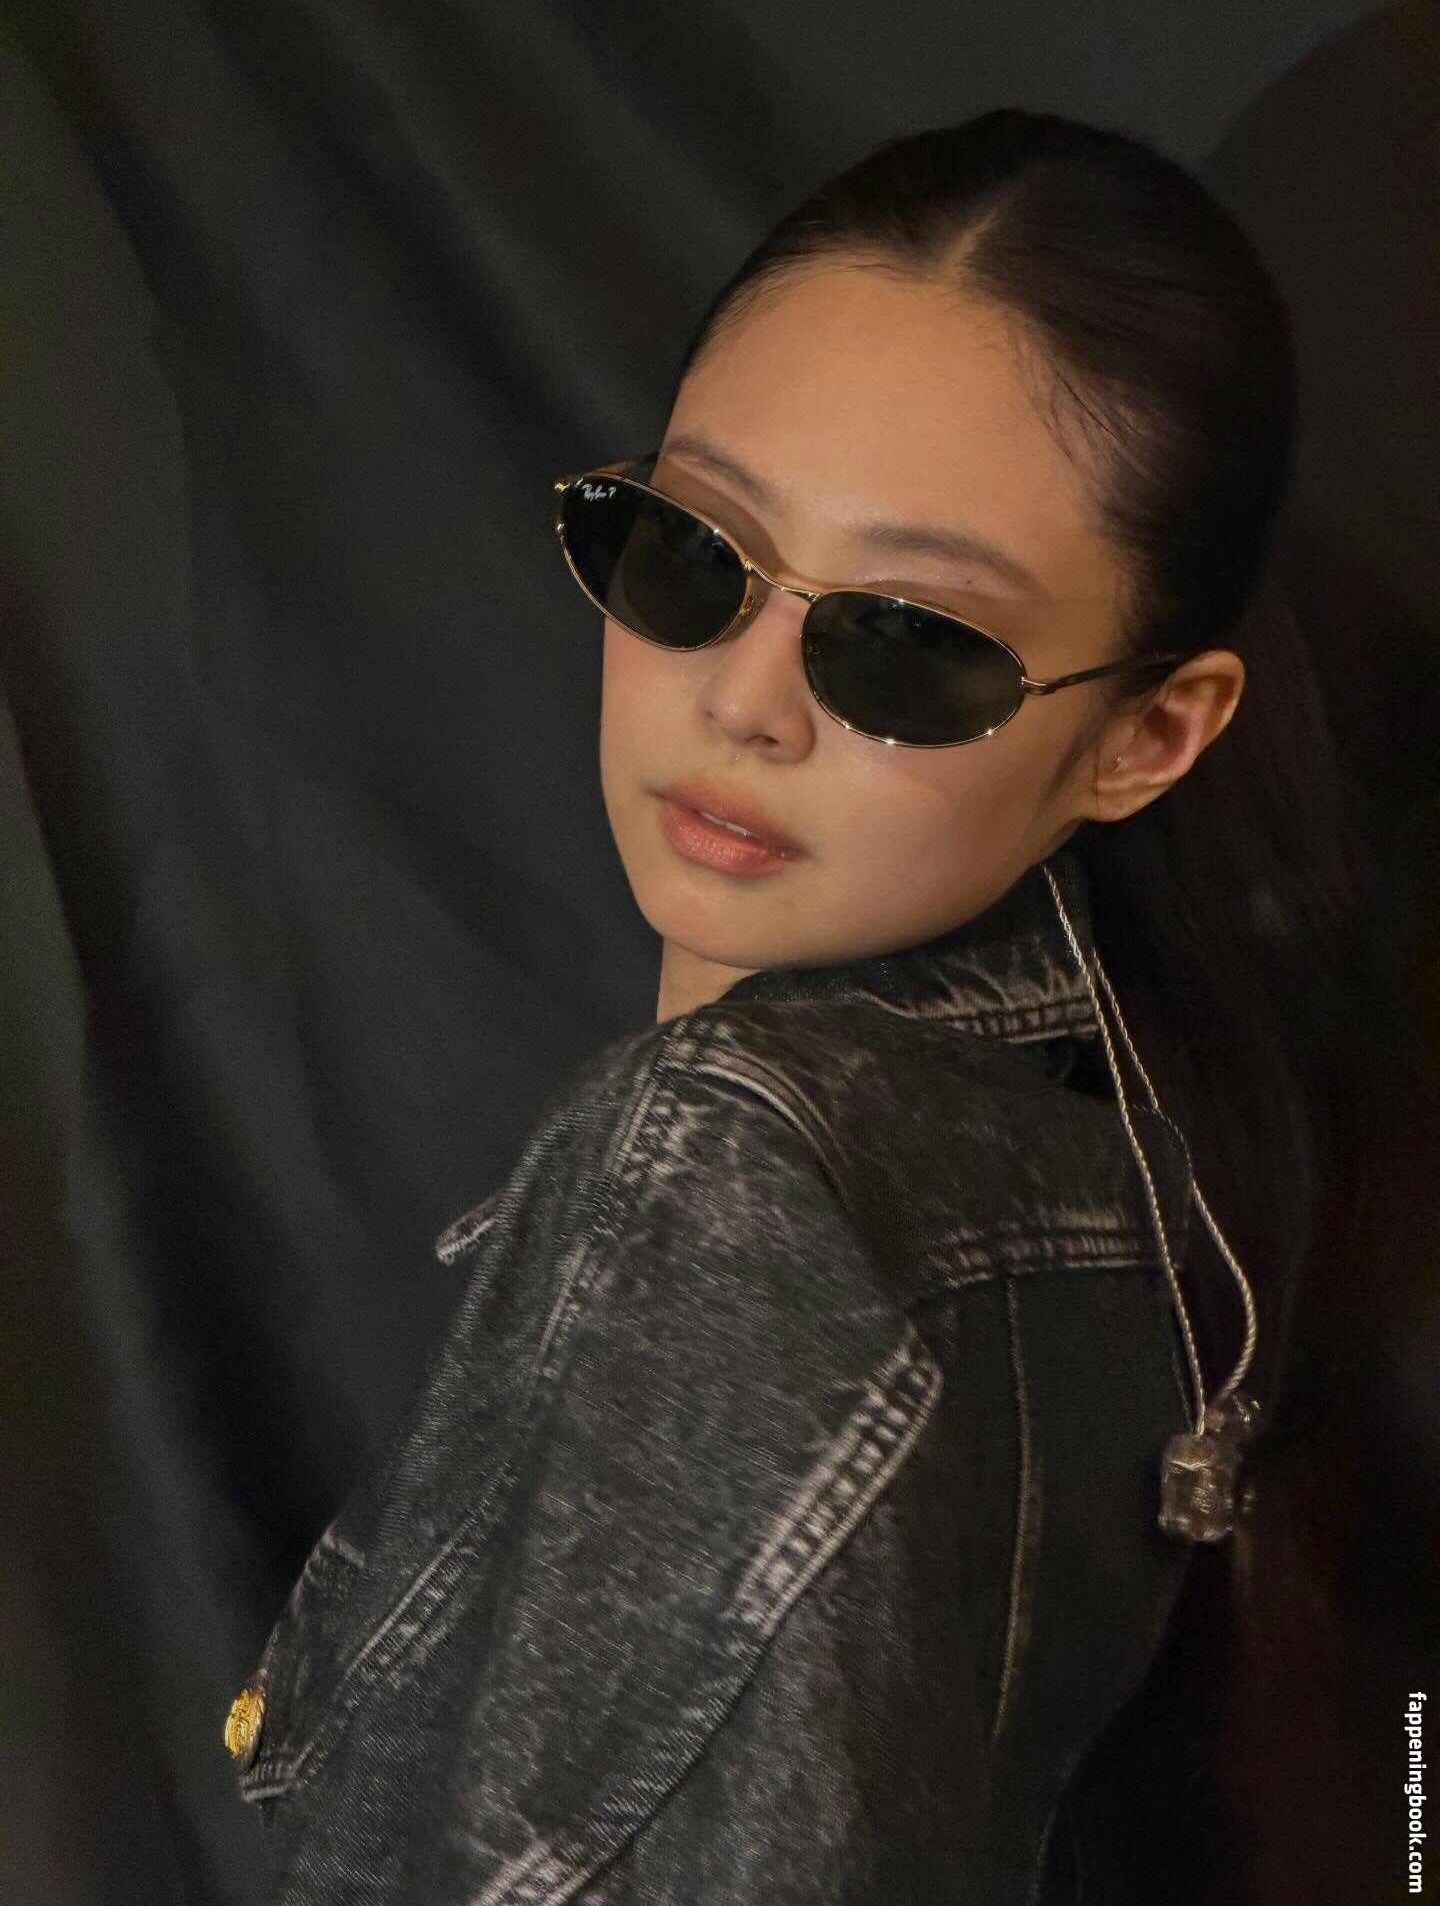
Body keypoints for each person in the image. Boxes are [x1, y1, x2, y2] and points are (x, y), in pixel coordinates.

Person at [222, 109, 1429, 1904]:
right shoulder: (1135, 1189)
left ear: (1149, 735)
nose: (744, 702)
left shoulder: (734, 1179)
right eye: (694, 551)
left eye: (911, 643)